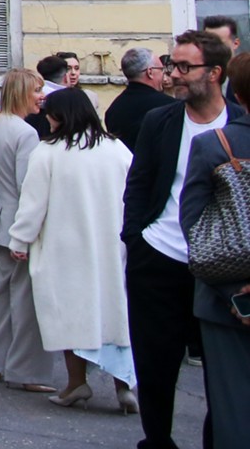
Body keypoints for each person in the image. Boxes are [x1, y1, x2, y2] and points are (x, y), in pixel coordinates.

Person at [123, 29, 243, 449]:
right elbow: (138, 184)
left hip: (222, 268)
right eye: (171, 65)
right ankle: (157, 441)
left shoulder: (240, 125)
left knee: (222, 369)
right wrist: (135, 238)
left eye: (184, 67)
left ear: (214, 73)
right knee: (155, 365)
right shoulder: (161, 119)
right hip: (159, 257)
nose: (173, 74)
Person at [6, 88, 137, 412]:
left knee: (68, 313)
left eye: (49, 113)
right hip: (110, 244)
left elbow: (33, 204)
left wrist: (20, 240)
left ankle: (76, 383)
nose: (46, 118)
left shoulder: (49, 151)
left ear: (61, 116)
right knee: (114, 312)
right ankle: (125, 386)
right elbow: (134, 192)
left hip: (64, 248)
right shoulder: (116, 149)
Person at [179, 52, 250, 443]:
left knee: (233, 408)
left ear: (236, 92)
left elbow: (194, 226)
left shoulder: (212, 144)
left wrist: (232, 292)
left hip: (226, 299)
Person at [0, 67, 59, 392]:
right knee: (25, 302)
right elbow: (29, 187)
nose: (42, 97)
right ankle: (26, 372)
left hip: (1, 218)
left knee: (2, 295)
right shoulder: (25, 133)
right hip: (19, 223)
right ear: (23, 92)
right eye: (37, 91)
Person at [106, 47, 179, 152]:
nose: (163, 74)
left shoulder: (113, 109)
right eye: (161, 69)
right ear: (150, 72)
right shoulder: (170, 106)